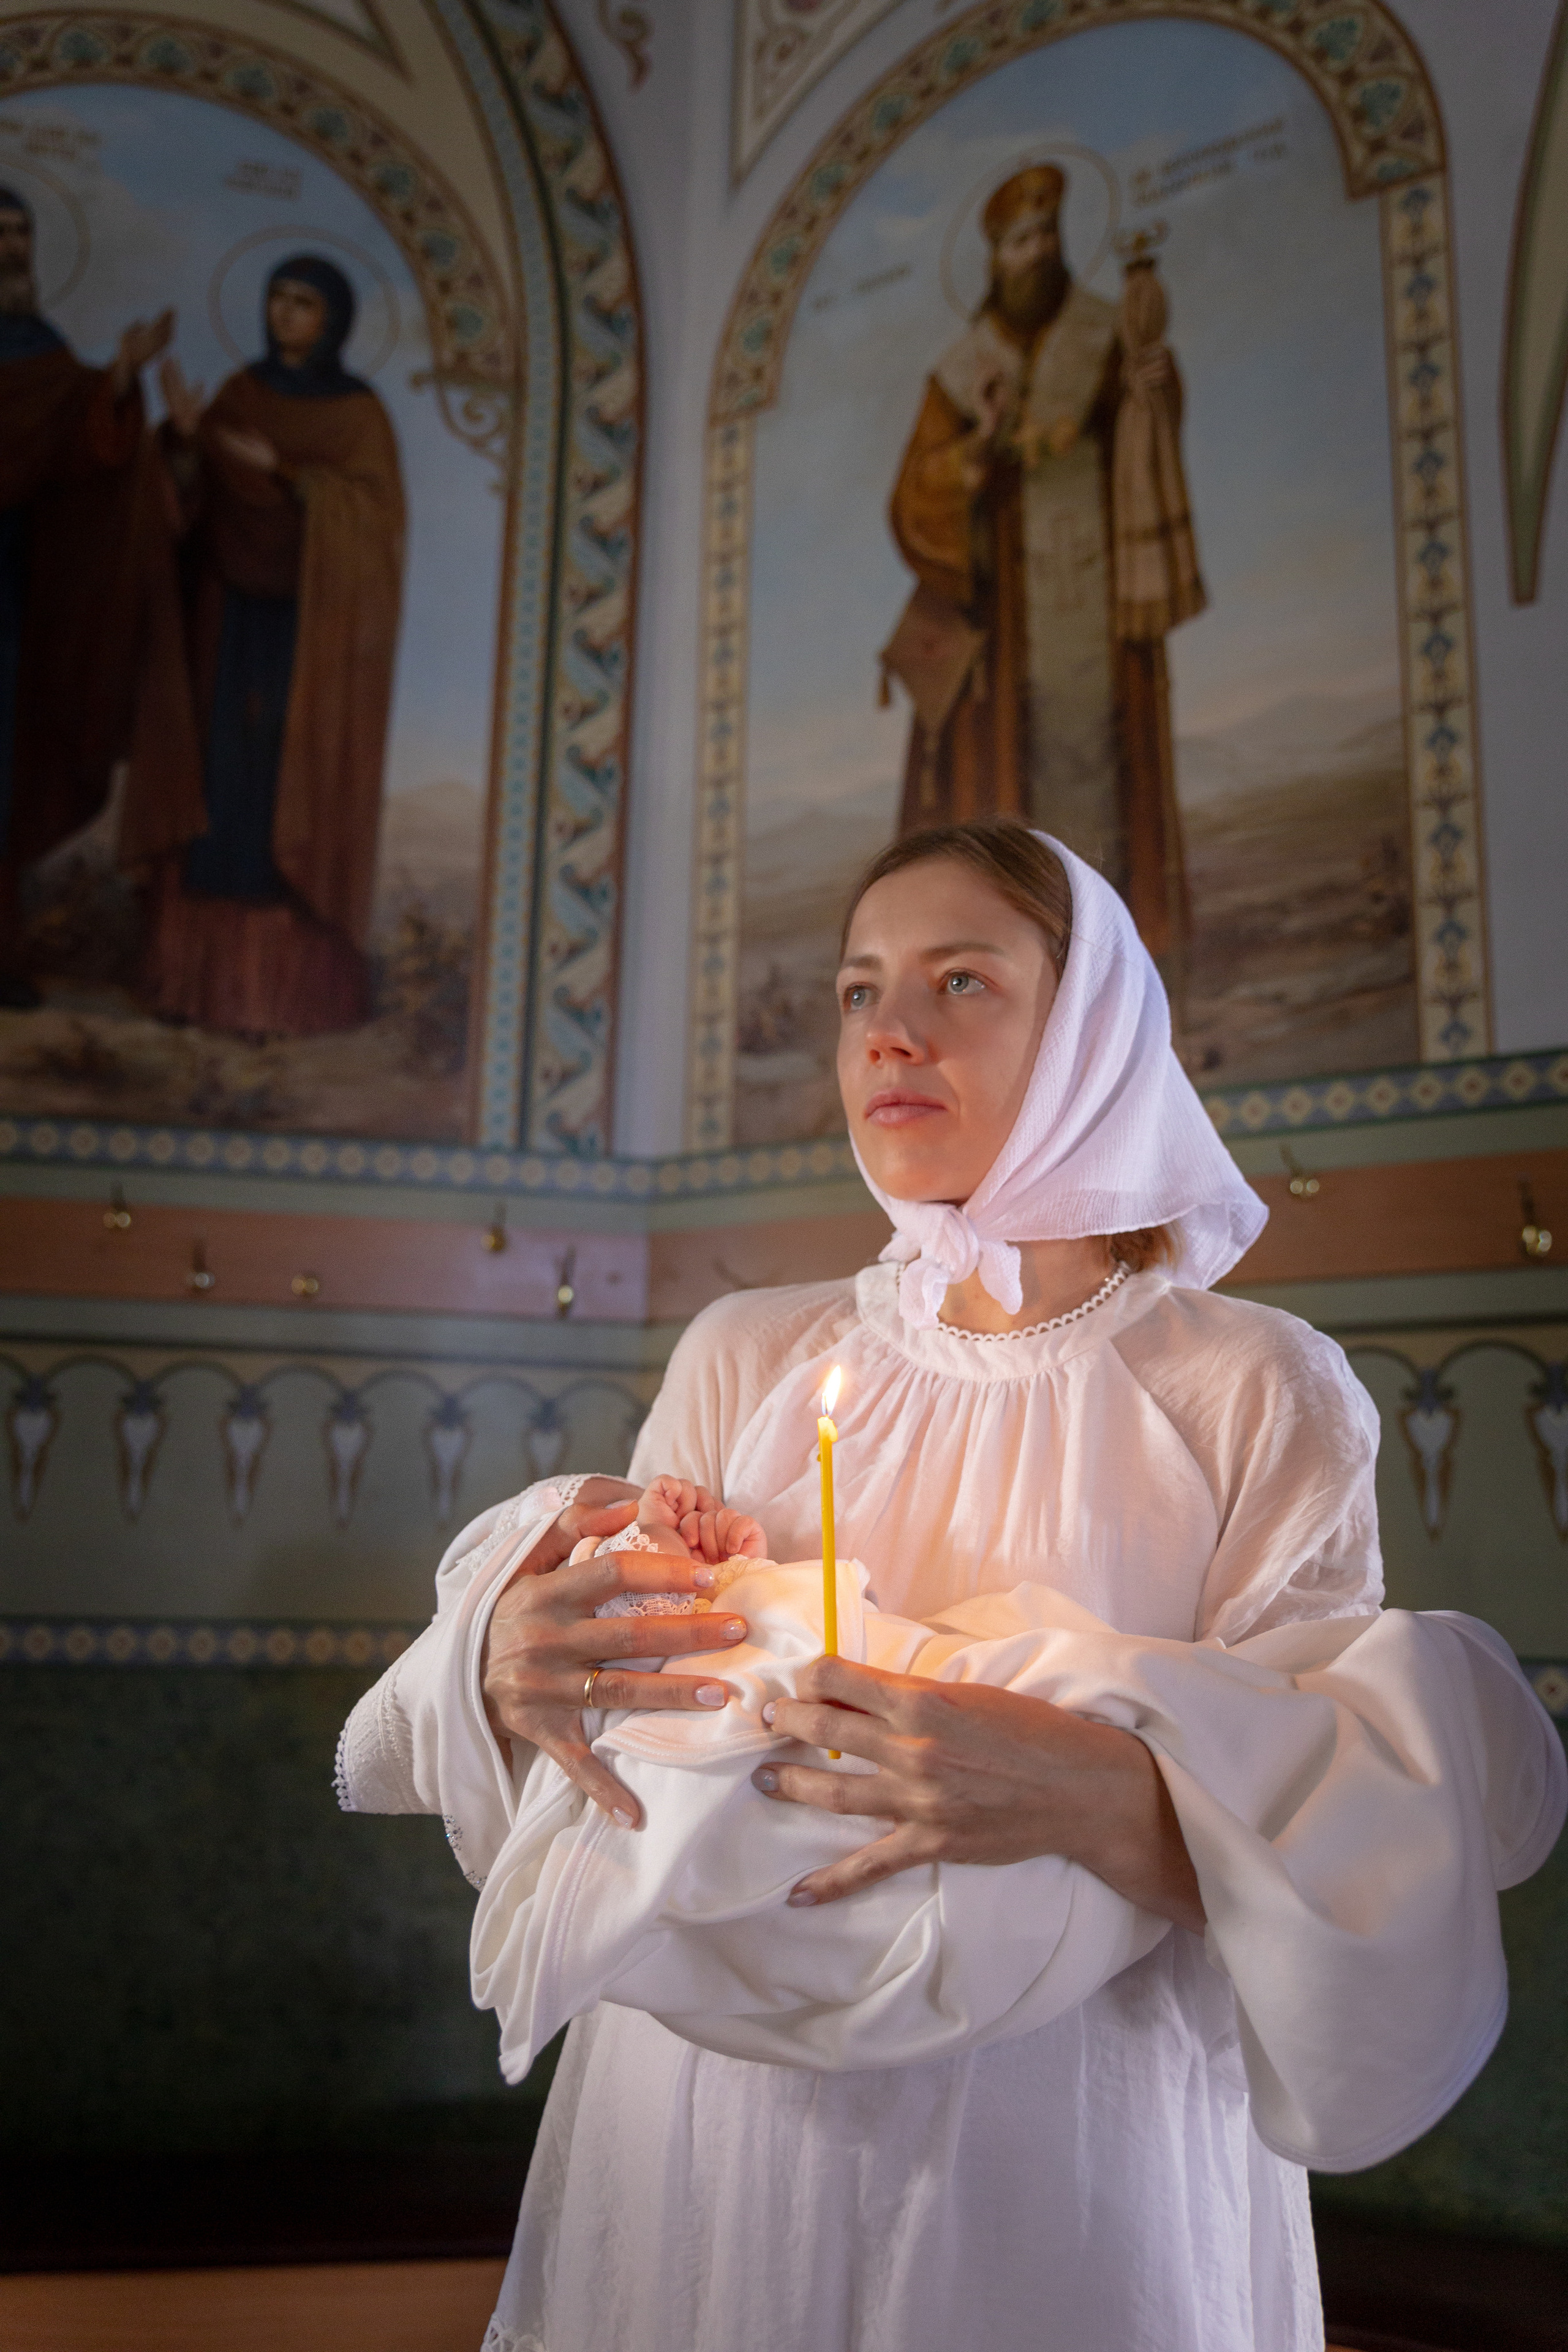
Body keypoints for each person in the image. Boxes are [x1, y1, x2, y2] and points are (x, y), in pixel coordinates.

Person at [336, 818, 1565, 2352]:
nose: (889, 1031)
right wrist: (512, 1656)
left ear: (1090, 1028)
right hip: (718, 2114)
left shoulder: (1254, 1387)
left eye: (959, 978)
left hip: (1065, 2134)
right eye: (857, 990)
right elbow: (643, 1716)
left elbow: (1327, 1841)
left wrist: (1094, 1789)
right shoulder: (747, 1352)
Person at [883, 168, 1205, 961]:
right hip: (1007, 633)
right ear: (996, 257)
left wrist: (1153, 397)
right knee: (1001, 793)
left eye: (1046, 238)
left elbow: (1145, 433)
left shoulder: (1105, 334)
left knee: (1105, 778)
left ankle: (1115, 970)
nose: (1035, 255)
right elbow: (915, 497)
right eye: (1019, 243)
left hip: (1093, 604)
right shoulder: (963, 371)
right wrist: (978, 445)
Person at [129, 254, 405, 1038]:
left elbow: (374, 523)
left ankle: (268, 1002)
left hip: (309, 635)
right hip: (226, 617)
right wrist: (185, 446)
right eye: (278, 300)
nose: (286, 316)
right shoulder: (239, 396)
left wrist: (283, 472)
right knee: (216, 786)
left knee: (278, 786)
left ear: (334, 321)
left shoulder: (359, 416)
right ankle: (191, 986)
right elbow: (189, 508)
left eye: (304, 304)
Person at [0, 184, 194, 1004]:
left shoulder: (41, 353)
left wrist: (119, 379)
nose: (10, 249)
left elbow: (82, 450)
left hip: (12, 602)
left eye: (20, 234)